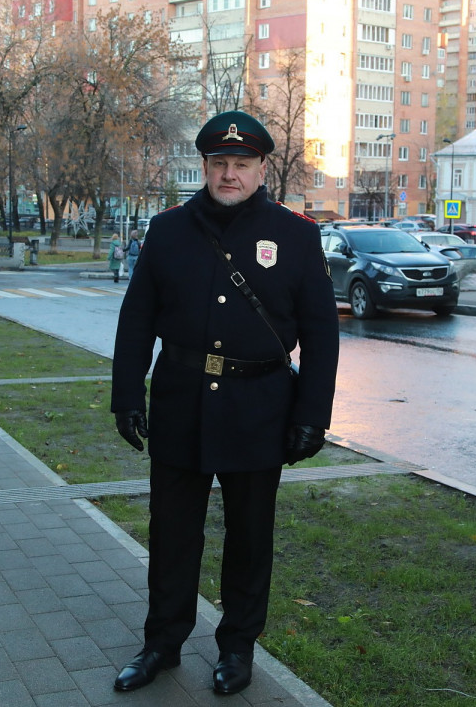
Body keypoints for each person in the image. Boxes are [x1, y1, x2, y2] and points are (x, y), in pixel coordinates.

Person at [110, 110, 339, 695]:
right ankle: (162, 642)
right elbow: (137, 319)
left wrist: (313, 415)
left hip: (259, 406)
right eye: (219, 164)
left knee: (249, 536)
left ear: (262, 168)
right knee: (172, 534)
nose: (229, 174)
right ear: (206, 167)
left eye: (241, 164)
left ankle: (237, 648)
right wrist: (126, 393)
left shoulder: (295, 234)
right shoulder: (168, 230)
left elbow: (319, 334)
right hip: (182, 401)